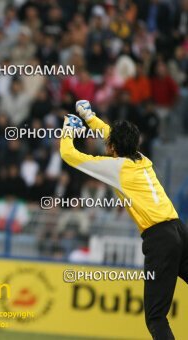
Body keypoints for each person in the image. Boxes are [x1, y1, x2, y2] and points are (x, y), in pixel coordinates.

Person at [60, 100, 187, 340]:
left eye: (109, 144)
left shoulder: (115, 167)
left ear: (112, 148)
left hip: (160, 239)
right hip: (179, 229)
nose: (106, 144)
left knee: (155, 317)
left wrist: (68, 127)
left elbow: (68, 154)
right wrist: (88, 116)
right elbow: (111, 134)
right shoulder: (141, 158)